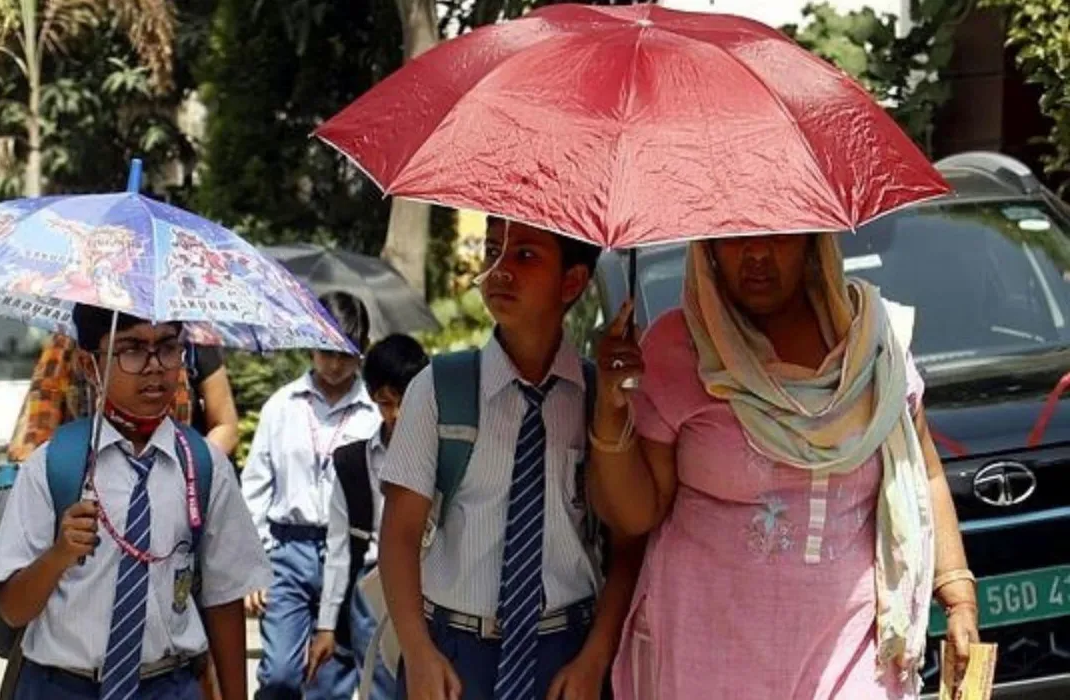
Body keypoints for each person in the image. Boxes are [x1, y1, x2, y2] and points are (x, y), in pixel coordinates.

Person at [589, 233, 981, 699]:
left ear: (814, 241)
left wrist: (957, 595)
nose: (757, 254)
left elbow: (924, 474)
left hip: (853, 647)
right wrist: (611, 409)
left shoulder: (874, 344)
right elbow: (636, 515)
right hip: (708, 653)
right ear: (708, 249)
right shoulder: (679, 347)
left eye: (778, 236)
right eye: (735, 239)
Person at [379, 218, 644, 700]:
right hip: (454, 657)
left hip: (564, 657)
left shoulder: (596, 400)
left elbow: (628, 546)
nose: (499, 271)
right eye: (493, 251)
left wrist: (595, 659)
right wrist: (417, 652)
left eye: (525, 256)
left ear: (572, 283)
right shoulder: (439, 388)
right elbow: (398, 534)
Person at [0, 304, 268, 700]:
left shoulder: (204, 468)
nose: (154, 366)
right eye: (131, 350)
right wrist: (59, 554)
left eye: (168, 347)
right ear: (89, 364)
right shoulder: (52, 466)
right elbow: (13, 609)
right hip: (62, 685)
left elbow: (224, 600)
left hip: (168, 684)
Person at [242, 291, 383, 700]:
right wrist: (256, 562)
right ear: (309, 345)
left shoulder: (374, 412)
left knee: (329, 679)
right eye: (326, 351)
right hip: (289, 550)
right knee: (280, 675)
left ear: (362, 350)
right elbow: (255, 487)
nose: (335, 364)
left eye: (346, 352)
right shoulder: (282, 407)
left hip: (354, 555)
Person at [306, 334, 430, 699]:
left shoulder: (445, 452)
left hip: (432, 582)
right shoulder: (352, 463)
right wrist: (327, 624)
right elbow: (339, 549)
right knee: (380, 686)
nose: (395, 414)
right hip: (372, 588)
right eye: (384, 403)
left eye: (403, 401)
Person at [7, 333, 239, 462]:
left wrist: (192, 473)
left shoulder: (194, 337)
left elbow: (225, 425)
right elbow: (35, 436)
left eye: (168, 350)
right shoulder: (67, 344)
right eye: (131, 351)